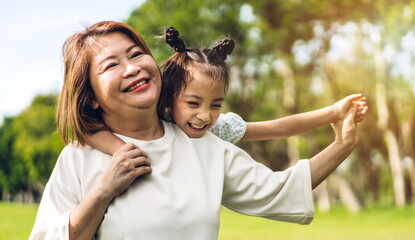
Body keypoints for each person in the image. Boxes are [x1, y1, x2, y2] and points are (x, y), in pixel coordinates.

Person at [29, 21, 363, 240]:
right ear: (91, 96)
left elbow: (281, 191)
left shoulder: (203, 143)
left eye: (136, 54)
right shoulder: (78, 159)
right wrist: (102, 192)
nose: (132, 67)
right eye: (111, 64)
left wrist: (342, 146)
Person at [87, 26, 368, 154]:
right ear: (169, 97)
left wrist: (332, 112)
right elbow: (87, 128)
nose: (205, 116)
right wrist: (122, 151)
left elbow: (277, 128)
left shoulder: (217, 129)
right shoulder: (151, 118)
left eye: (216, 104)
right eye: (194, 103)